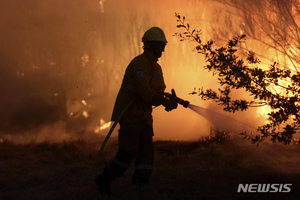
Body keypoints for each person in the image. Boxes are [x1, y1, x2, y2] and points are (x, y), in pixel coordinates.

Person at [95, 27, 178, 196]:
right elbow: (145, 93)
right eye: (160, 45)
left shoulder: (157, 68)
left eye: (163, 45)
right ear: (149, 45)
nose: (162, 49)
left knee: (147, 152)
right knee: (128, 151)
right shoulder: (139, 63)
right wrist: (162, 101)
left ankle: (139, 185)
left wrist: (170, 101)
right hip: (130, 114)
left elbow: (159, 91)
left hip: (145, 117)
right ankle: (105, 178)